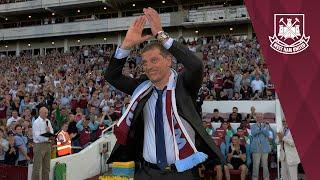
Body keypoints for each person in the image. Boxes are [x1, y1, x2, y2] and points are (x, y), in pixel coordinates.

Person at [105, 7, 223, 180]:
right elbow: (112, 76)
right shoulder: (141, 88)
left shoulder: (184, 85)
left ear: (168, 60)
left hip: (181, 173)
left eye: (154, 60)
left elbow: (196, 66)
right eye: (145, 62)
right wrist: (125, 47)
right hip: (146, 172)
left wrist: (161, 35)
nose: (149, 66)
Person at [32, 107, 54, 180]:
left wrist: (49, 132)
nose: (47, 114)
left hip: (48, 145)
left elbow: (52, 132)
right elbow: (38, 136)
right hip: (39, 146)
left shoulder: (48, 121)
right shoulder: (36, 122)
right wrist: (48, 137)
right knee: (37, 168)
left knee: (47, 167)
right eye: (45, 113)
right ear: (40, 112)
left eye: (47, 113)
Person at [250, 113, 271, 180]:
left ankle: (266, 178)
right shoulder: (253, 125)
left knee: (265, 165)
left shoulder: (267, 125)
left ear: (263, 118)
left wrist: (262, 128)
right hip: (256, 148)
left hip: (265, 148)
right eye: (258, 117)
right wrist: (261, 129)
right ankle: (255, 178)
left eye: (261, 117)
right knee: (256, 165)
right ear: (256, 118)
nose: (260, 118)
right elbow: (253, 134)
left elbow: (268, 134)